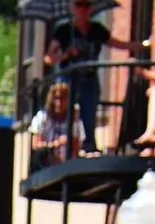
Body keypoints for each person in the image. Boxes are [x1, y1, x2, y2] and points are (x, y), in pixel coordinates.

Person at [43, 0, 112, 149]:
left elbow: (117, 43)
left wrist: (142, 45)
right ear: (72, 8)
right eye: (79, 5)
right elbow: (49, 57)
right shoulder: (64, 30)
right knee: (64, 109)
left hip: (89, 78)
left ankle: (89, 145)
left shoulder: (97, 29)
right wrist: (65, 55)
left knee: (89, 109)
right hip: (69, 77)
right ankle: (64, 144)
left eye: (86, 5)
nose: (83, 9)